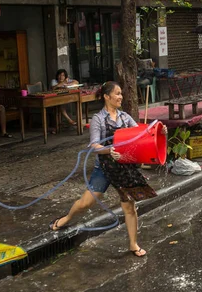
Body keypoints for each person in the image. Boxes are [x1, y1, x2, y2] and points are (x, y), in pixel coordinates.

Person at [48, 81, 167, 257]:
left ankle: (133, 244)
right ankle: (65, 219)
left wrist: (159, 132)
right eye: (117, 94)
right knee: (86, 203)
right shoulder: (98, 119)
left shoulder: (125, 117)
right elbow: (94, 145)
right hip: (104, 167)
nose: (120, 97)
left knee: (129, 208)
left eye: (121, 94)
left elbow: (142, 135)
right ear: (106, 96)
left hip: (124, 168)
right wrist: (108, 150)